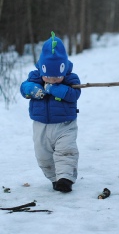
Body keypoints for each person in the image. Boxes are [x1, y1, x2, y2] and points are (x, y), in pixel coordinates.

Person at [20, 31, 81, 193]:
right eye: (48, 77)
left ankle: (65, 179)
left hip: (65, 124)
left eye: (56, 77)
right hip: (41, 126)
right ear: (42, 68)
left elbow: (75, 94)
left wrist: (56, 89)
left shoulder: (71, 78)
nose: (52, 80)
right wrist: (31, 90)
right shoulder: (36, 77)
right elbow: (24, 88)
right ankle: (54, 178)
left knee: (66, 151)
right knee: (43, 155)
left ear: (63, 68)